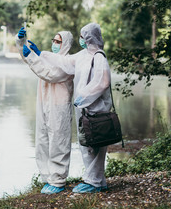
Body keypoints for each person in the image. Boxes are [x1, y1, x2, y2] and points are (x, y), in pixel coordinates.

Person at [24, 23, 111, 193]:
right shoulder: (82, 55)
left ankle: (94, 182)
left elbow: (103, 82)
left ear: (90, 38)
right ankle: (97, 180)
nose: (81, 39)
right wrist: (42, 54)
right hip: (83, 108)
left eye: (83, 36)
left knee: (97, 144)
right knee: (87, 144)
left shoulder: (99, 57)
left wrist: (84, 97)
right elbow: (64, 61)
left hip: (97, 107)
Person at [15, 27, 74, 194]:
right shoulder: (48, 58)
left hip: (59, 106)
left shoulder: (68, 63)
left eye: (58, 41)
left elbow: (50, 74)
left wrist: (33, 56)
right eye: (53, 41)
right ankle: (47, 178)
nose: (54, 44)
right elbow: (30, 61)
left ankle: (58, 180)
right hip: (43, 103)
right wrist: (21, 43)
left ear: (66, 44)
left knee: (58, 141)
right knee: (42, 140)